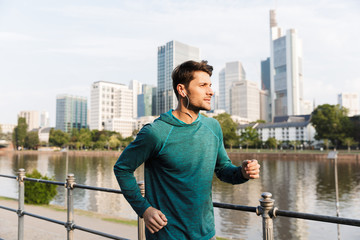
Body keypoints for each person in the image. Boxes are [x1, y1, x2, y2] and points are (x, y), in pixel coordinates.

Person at [114, 60, 260, 240]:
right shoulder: (156, 132)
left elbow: (223, 170)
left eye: (210, 85)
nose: (210, 91)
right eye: (203, 85)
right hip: (167, 235)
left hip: (207, 235)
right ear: (182, 90)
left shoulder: (213, 127)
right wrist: (144, 209)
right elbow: (122, 168)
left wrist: (243, 172)